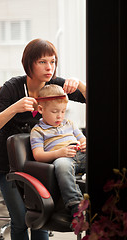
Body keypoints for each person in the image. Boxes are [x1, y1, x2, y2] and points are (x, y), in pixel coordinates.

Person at [0, 38, 86, 240]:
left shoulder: (54, 85)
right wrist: (15, 108)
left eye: (53, 61)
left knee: (41, 219)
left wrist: (80, 84)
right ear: (29, 63)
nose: (50, 67)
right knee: (20, 220)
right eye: (42, 62)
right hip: (9, 166)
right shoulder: (12, 87)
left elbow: (100, 98)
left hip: (40, 164)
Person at [30, 84, 86, 219]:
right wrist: (59, 153)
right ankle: (75, 205)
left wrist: (85, 145)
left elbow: (83, 140)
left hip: (79, 155)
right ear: (41, 109)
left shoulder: (69, 123)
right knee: (62, 165)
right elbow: (38, 155)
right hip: (62, 159)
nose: (60, 116)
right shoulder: (38, 131)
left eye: (63, 111)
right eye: (55, 112)